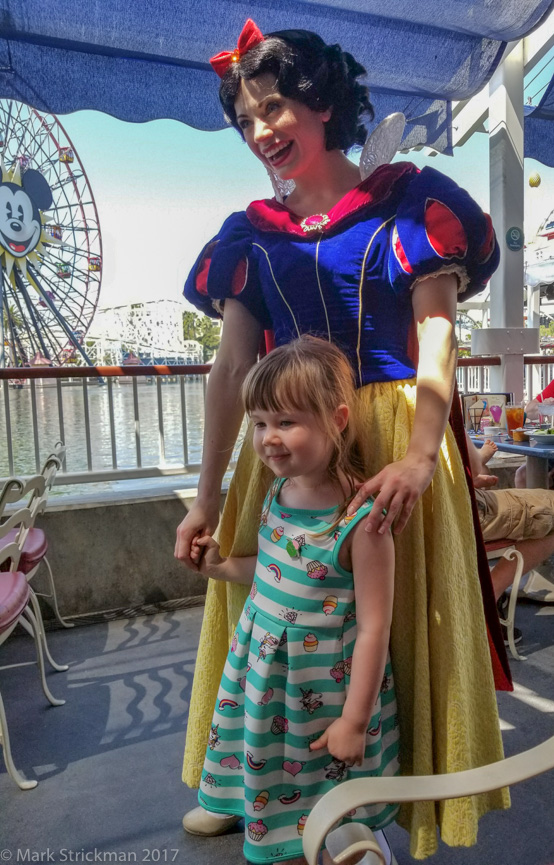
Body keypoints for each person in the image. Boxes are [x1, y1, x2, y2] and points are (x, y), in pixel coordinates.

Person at [175, 20, 510, 859]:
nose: (260, 133)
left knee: (401, 622)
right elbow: (229, 374)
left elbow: (437, 339)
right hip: (289, 442)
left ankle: (394, 799)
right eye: (246, 119)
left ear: (322, 102)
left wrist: (418, 456)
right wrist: (208, 497)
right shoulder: (250, 233)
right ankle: (243, 782)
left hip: (397, 435)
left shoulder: (409, 200)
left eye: (274, 106)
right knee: (257, 615)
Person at [191, 336, 398, 865]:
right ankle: (281, 835)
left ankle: (346, 842)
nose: (268, 439)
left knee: (321, 779)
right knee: (270, 770)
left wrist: (354, 721)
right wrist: (220, 567)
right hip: (262, 672)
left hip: (323, 684)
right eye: (260, 423)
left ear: (338, 418)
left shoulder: (364, 521)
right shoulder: (275, 492)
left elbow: (375, 627)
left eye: (286, 421)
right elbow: (270, 569)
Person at [467, 436, 554, 611]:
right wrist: (481, 455)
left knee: (526, 482)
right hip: (466, 508)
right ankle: (489, 598)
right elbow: (473, 464)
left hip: (440, 505)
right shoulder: (435, 408)